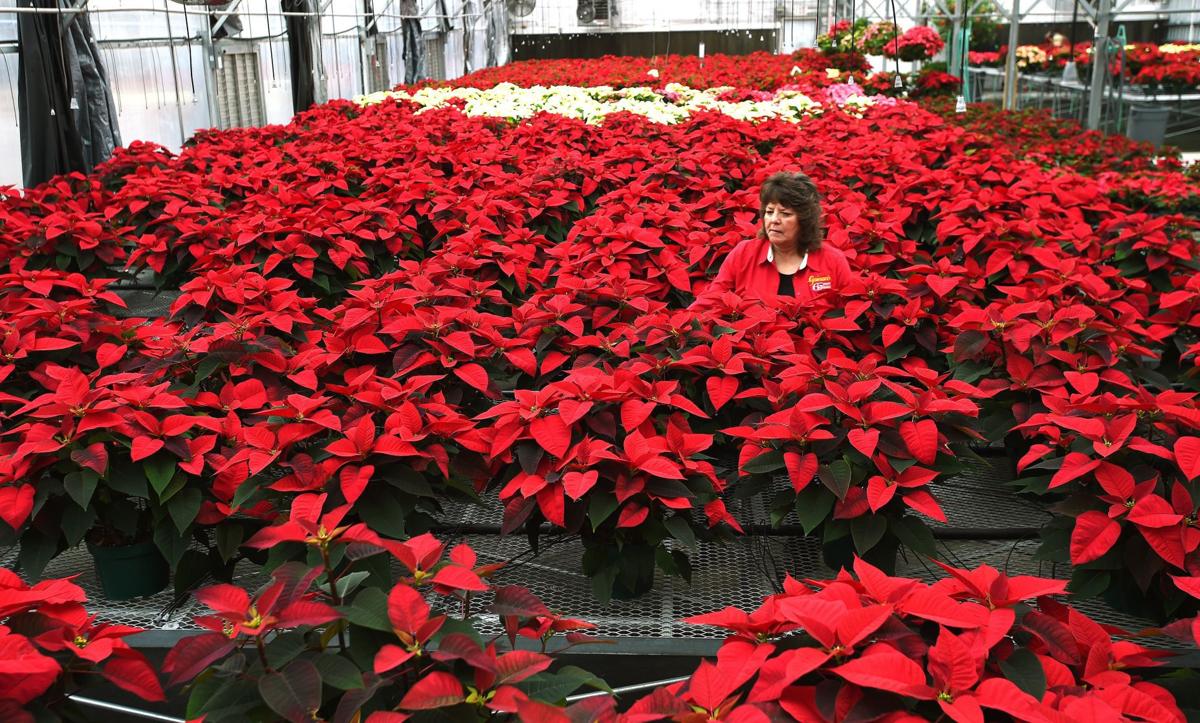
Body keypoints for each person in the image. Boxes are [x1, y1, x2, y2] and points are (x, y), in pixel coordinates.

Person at [691, 171, 854, 311]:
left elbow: (847, 312)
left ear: (805, 220)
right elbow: (712, 300)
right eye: (769, 212)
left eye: (785, 214)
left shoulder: (833, 261)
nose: (774, 220)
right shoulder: (744, 253)